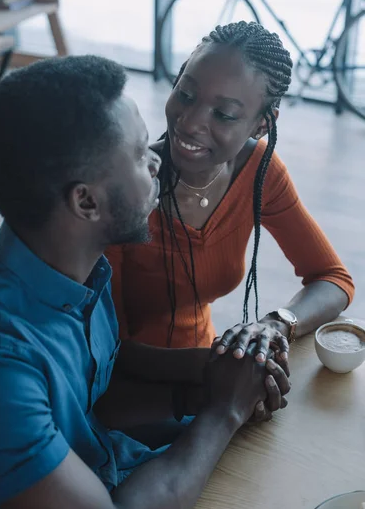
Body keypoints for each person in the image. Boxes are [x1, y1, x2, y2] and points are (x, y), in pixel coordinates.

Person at [0, 55, 290, 509]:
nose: (158, 161)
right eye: (140, 156)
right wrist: (223, 409)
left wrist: (220, 367)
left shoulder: (73, 263)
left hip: (112, 464)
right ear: (87, 201)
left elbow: (96, 394)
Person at [105, 21, 354, 367]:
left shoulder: (258, 171)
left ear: (262, 124)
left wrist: (276, 325)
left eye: (224, 114)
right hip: (131, 388)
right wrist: (217, 377)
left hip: (206, 363)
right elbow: (105, 349)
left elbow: (332, 278)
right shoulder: (129, 190)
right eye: (185, 94)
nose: (190, 122)